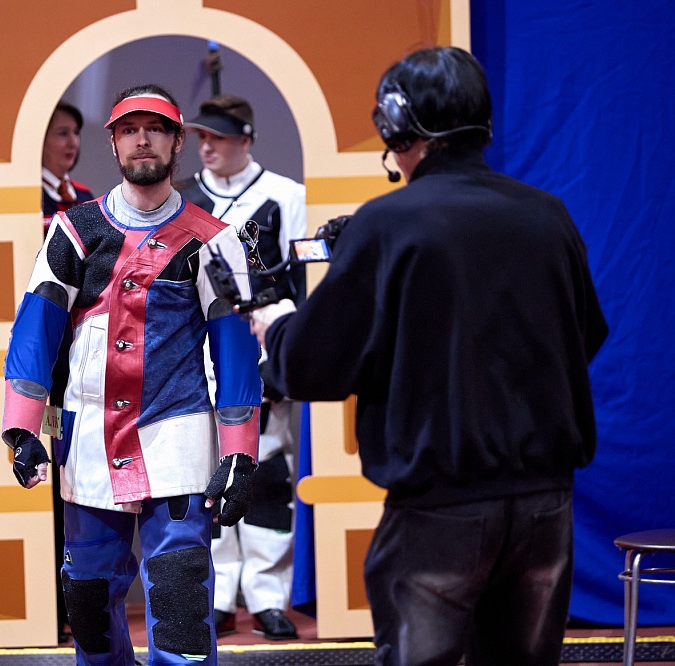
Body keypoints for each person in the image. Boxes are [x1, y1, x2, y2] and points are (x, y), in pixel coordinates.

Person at [250, 47, 608, 666]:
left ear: (395, 125)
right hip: (546, 508)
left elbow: (310, 367)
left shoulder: (387, 225)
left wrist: (276, 325)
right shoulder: (550, 218)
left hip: (440, 511)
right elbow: (586, 338)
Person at [3, 83, 263, 666]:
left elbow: (237, 354)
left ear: (176, 141)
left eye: (155, 128)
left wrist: (240, 453)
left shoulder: (217, 240)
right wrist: (22, 428)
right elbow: (35, 330)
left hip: (177, 442)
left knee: (180, 603)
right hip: (89, 442)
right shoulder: (73, 231)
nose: (141, 140)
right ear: (114, 143)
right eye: (128, 129)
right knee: (89, 607)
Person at [179, 94, 306, 640]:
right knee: (207, 474)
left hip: (263, 351)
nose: (207, 147)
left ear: (246, 139)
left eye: (219, 137)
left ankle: (268, 596)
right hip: (198, 355)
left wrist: (286, 358)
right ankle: (218, 594)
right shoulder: (182, 198)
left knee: (268, 474)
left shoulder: (285, 196)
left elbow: (301, 282)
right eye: (201, 137)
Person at [40, 99, 95, 644]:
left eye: (75, 132)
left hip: (79, 367)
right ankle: (47, 602)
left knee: (74, 479)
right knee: (45, 481)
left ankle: (73, 603)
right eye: (60, 132)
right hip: (42, 366)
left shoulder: (85, 200)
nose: (70, 142)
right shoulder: (24, 201)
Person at [42, 101, 95, 233]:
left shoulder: (84, 195)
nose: (73, 143)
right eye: (63, 133)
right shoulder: (29, 197)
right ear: (41, 139)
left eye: (76, 133)